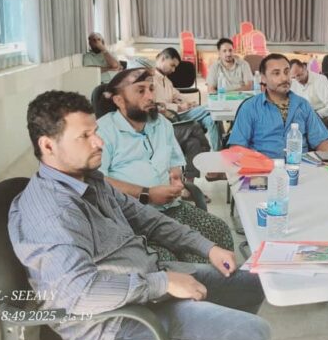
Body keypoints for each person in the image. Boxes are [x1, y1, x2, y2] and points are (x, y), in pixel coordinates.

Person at [9, 90, 270, 340]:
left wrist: (207, 248)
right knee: (255, 334)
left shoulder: (90, 179)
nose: (99, 142)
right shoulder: (52, 212)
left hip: (146, 283)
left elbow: (150, 221)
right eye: (84, 136)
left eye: (95, 132)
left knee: (254, 284)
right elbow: (78, 292)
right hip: (115, 324)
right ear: (48, 146)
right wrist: (164, 283)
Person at [96, 68, 234, 263]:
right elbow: (98, 181)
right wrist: (147, 193)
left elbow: (174, 162)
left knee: (218, 231)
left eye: (151, 89)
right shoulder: (103, 132)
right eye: (141, 91)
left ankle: (218, 282)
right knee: (166, 259)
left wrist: (176, 179)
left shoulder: (161, 123)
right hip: (131, 219)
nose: (150, 96)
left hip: (170, 209)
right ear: (119, 100)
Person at [228, 53, 328, 158]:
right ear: (263, 78)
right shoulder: (250, 107)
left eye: (287, 72)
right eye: (276, 73)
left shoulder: (303, 105)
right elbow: (237, 148)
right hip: (263, 167)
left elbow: (321, 142)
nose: (284, 78)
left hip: (300, 166)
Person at [151, 47, 221, 151]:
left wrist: (190, 103)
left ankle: (218, 152)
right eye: (172, 65)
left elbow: (177, 95)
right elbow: (156, 105)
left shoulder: (167, 81)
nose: (174, 70)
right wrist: (178, 107)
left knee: (211, 119)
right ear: (163, 58)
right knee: (210, 108)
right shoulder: (151, 80)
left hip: (179, 113)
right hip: (170, 116)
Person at [290, 58, 328, 124]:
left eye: (299, 75)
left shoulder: (320, 80)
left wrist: (316, 114)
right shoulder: (292, 82)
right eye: (293, 77)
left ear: (304, 68)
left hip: (321, 117)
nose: (297, 79)